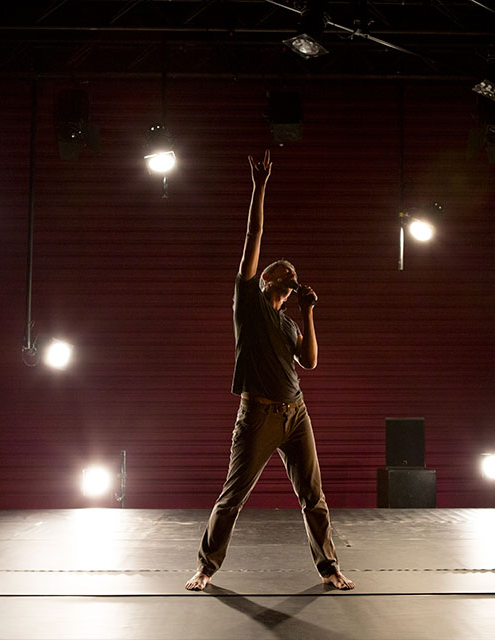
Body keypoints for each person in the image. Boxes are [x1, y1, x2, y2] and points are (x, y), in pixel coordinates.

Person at [185, 150, 354, 591]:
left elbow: (311, 361)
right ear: (265, 280)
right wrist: (259, 187)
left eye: (292, 273)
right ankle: (206, 566)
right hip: (257, 415)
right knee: (233, 496)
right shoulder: (250, 304)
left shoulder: (288, 321)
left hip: (295, 414)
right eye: (282, 271)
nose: (289, 273)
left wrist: (309, 311)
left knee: (313, 497)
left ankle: (329, 568)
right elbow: (252, 234)